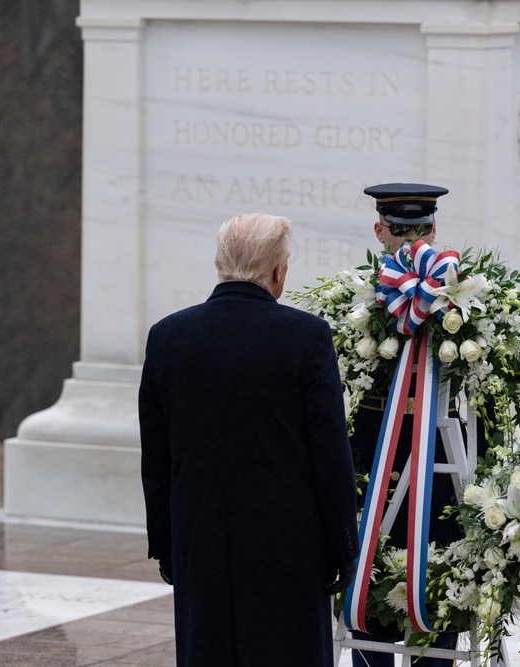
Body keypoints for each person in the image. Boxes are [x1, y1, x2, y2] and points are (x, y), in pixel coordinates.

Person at [139, 212, 359, 667]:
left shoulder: (167, 337)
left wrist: (166, 544)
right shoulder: (306, 337)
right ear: (278, 271)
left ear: (220, 264)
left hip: (201, 546)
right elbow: (329, 455)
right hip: (289, 551)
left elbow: (157, 459)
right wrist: (343, 548)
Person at [350, 183, 491, 667]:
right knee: (374, 603)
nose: (409, 240)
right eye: (397, 230)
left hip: (441, 473)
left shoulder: (465, 304)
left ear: (435, 229)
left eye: (420, 229)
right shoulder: (363, 305)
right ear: (378, 231)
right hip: (379, 471)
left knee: (440, 599)